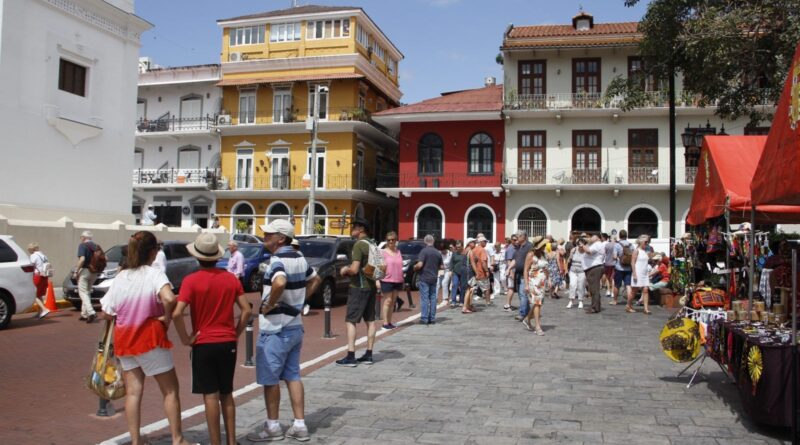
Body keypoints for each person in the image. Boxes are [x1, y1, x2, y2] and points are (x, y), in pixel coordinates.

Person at [99, 231, 192, 445]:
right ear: (152, 252)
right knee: (170, 390)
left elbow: (106, 311)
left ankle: (135, 440)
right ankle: (177, 439)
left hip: (125, 339)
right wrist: (166, 319)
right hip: (150, 338)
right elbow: (169, 298)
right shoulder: (154, 274)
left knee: (133, 392)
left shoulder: (121, 276)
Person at [173, 233, 250, 445]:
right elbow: (246, 311)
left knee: (210, 395)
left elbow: (177, 313)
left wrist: (186, 338)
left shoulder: (191, 281)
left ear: (198, 257)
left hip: (203, 342)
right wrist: (235, 332)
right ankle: (232, 442)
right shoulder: (230, 279)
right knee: (227, 393)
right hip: (227, 341)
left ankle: (216, 442)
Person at [247, 220, 320, 442]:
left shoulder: (277, 259)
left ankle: (273, 426)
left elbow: (279, 282)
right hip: (295, 325)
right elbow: (315, 279)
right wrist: (300, 301)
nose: (264, 237)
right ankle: (299, 424)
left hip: (275, 328)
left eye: (268, 234)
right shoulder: (299, 257)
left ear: (281, 238)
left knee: (270, 380)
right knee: (293, 376)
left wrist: (269, 305)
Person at [336, 218, 379, 367]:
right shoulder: (372, 243)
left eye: (354, 226)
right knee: (370, 321)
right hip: (371, 285)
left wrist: (344, 270)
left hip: (359, 287)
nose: (351, 228)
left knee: (351, 320)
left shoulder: (359, 245)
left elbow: (354, 269)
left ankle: (351, 355)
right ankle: (368, 354)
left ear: (361, 229)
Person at [414, 234, 443, 324]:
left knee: (425, 298)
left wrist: (414, 267)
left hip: (425, 277)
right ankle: (432, 318)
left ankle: (424, 318)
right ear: (433, 241)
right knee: (433, 297)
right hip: (434, 277)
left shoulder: (424, 251)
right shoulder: (437, 252)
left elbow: (420, 264)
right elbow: (442, 266)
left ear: (425, 241)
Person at [379, 231, 404, 329]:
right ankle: (385, 323)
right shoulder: (383, 252)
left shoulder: (398, 252)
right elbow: (379, 267)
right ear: (386, 241)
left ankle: (389, 322)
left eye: (393, 240)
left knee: (393, 302)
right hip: (387, 279)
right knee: (388, 301)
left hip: (397, 279)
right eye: (388, 240)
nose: (391, 241)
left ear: (396, 240)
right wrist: (377, 280)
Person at [74, 230, 99, 323]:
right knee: (87, 292)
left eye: (81, 237)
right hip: (94, 272)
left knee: (82, 292)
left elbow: (82, 259)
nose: (80, 238)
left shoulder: (82, 245)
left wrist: (76, 270)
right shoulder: (96, 246)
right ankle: (84, 314)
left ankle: (91, 311)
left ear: (83, 238)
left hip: (85, 271)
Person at [581, 233, 605, 314]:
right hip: (593, 268)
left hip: (594, 268)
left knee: (594, 289)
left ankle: (595, 307)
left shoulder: (597, 244)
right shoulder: (596, 244)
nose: (591, 238)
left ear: (598, 238)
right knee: (593, 289)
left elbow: (589, 251)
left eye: (593, 236)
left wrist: (582, 245)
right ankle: (595, 305)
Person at [523, 259, 548, 335]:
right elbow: (526, 270)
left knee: (539, 303)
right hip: (534, 282)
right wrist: (526, 284)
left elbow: (545, 269)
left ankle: (527, 319)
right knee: (537, 303)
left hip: (542, 283)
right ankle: (537, 326)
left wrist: (549, 278)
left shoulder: (543, 254)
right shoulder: (531, 255)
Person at [466, 235, 491, 309]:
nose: (486, 243)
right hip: (481, 272)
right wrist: (486, 271)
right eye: (485, 241)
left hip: (473, 272)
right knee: (486, 288)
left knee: (472, 288)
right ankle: (488, 302)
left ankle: (469, 303)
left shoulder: (473, 250)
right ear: (480, 242)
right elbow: (483, 262)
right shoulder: (482, 250)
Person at [513, 231, 534, 321]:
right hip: (517, 274)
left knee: (523, 295)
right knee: (521, 295)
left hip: (524, 274)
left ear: (524, 237)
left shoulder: (529, 246)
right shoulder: (518, 247)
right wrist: (509, 269)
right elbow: (516, 260)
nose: (517, 238)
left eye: (518, 236)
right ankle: (528, 313)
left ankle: (522, 313)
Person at [629, 235, 653, 315]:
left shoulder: (645, 251)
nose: (647, 243)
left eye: (647, 242)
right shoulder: (636, 251)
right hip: (637, 272)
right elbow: (632, 263)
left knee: (646, 290)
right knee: (634, 291)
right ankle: (628, 305)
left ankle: (646, 309)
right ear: (641, 242)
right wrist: (634, 274)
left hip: (644, 273)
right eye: (645, 242)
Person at [27, 242, 51, 319]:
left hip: (37, 276)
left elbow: (31, 266)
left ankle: (44, 309)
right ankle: (40, 312)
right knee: (39, 294)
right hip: (44, 276)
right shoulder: (44, 256)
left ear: (31, 249)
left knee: (34, 295)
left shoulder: (33, 256)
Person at [613, 229, 634, 308]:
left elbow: (614, 257)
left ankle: (615, 300)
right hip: (628, 268)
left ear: (619, 236)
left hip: (619, 267)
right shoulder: (631, 245)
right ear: (626, 236)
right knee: (628, 285)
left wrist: (618, 257)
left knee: (617, 285)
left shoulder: (617, 245)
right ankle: (629, 302)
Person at [566, 237, 586, 309]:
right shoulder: (574, 250)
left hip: (582, 271)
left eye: (582, 245)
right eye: (579, 245)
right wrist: (566, 269)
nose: (580, 246)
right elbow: (569, 260)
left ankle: (580, 300)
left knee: (581, 286)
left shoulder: (586, 251)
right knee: (572, 285)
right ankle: (571, 301)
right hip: (573, 270)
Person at [503, 235, 518, 311]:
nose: (516, 241)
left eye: (517, 240)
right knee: (511, 288)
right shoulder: (511, 249)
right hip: (511, 271)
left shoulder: (515, 248)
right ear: (511, 240)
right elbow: (509, 261)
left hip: (514, 270)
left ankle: (508, 304)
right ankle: (507, 305)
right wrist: (511, 272)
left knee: (511, 288)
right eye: (514, 240)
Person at [449, 241, 466, 308]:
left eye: (459, 247)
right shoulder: (454, 254)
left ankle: (461, 301)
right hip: (455, 272)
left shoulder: (465, 254)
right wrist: (450, 270)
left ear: (462, 246)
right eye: (457, 247)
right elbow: (451, 262)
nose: (457, 248)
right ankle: (453, 301)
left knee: (462, 287)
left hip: (463, 273)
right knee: (455, 285)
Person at [437, 240, 453, 305]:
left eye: (443, 250)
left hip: (448, 270)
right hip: (440, 271)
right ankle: (434, 299)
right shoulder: (439, 253)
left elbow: (452, 263)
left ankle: (445, 299)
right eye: (441, 250)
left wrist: (451, 271)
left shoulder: (450, 254)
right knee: (437, 284)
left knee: (444, 283)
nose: (442, 251)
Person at [602, 233, 617, 301]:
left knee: (608, 277)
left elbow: (604, 253)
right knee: (613, 278)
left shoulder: (607, 245)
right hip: (614, 263)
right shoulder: (616, 245)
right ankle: (612, 292)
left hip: (607, 263)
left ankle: (608, 290)